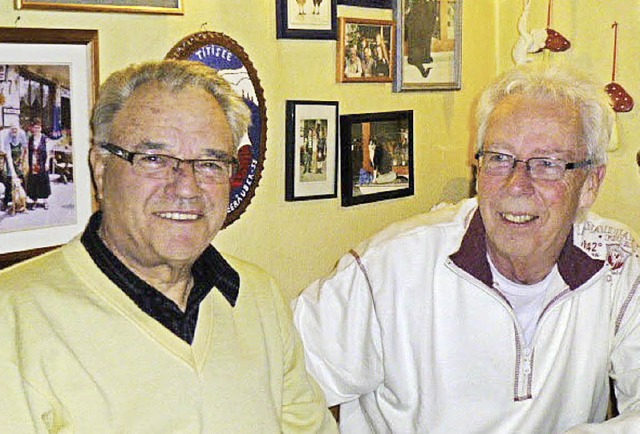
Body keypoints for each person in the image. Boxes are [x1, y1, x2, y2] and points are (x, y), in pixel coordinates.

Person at [293, 63, 640, 432]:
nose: (516, 184)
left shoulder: (616, 262)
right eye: (499, 158)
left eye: (547, 164)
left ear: (590, 183)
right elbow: (278, 387)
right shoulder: (390, 268)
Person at [0, 60, 337, 433]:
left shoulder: (257, 297)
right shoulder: (13, 320)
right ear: (100, 169)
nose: (186, 188)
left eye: (209, 163)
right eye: (154, 159)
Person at [405, 0, 438, 78]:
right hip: (418, 24)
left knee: (423, 39)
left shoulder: (425, 4)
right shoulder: (418, 5)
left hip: (422, 23)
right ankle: (421, 60)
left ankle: (424, 58)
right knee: (419, 40)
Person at [26, 118, 52, 210]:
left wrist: (47, 163)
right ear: (33, 128)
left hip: (42, 163)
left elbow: (49, 152)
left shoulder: (45, 139)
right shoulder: (30, 138)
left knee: (44, 182)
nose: (36, 129)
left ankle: (45, 201)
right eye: (35, 128)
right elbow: (28, 151)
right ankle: (35, 202)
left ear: (41, 128)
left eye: (38, 127)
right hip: (33, 164)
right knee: (34, 183)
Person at [1, 122, 28, 212]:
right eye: (12, 129)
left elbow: (25, 149)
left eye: (15, 129)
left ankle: (23, 201)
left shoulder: (22, 134)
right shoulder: (7, 137)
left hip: (19, 160)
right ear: (10, 129)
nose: (14, 130)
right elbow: (8, 155)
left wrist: (22, 162)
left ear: (19, 129)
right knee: (9, 181)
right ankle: (6, 202)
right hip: (11, 160)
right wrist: (12, 171)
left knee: (22, 180)